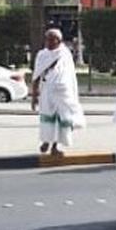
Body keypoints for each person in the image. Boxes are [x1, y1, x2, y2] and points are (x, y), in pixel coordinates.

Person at [30, 28, 85, 157]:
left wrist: (72, 93)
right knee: (47, 118)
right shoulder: (42, 55)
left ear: (58, 40)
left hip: (63, 93)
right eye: (46, 39)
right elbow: (36, 75)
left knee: (61, 120)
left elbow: (70, 75)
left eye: (51, 39)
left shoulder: (65, 54)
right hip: (47, 91)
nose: (48, 42)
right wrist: (34, 96)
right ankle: (46, 141)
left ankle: (55, 146)